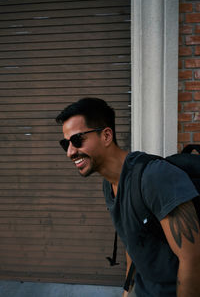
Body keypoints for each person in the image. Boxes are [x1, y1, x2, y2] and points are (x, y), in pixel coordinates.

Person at [56, 97, 200, 297]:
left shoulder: (154, 177)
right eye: (66, 144)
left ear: (106, 136)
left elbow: (192, 259)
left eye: (77, 140)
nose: (70, 152)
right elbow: (133, 241)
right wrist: (127, 290)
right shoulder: (109, 184)